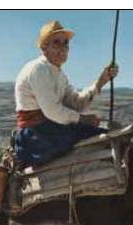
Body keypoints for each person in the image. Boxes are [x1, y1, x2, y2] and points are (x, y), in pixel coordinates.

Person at [14, 20, 119, 167]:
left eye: (66, 43)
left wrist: (101, 81)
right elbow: (53, 112)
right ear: (44, 47)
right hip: (35, 136)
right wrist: (83, 119)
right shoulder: (39, 70)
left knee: (99, 132)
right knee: (94, 135)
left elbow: (76, 103)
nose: (63, 48)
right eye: (57, 42)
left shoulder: (59, 74)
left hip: (50, 130)